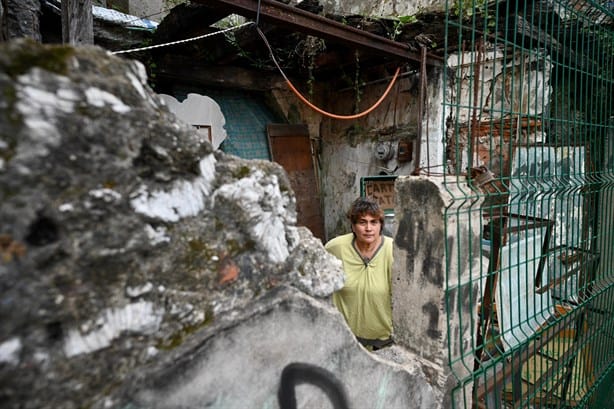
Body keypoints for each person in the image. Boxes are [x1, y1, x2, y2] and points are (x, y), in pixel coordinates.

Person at [325, 197, 393, 350]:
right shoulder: (336, 248)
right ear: (353, 226)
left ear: (381, 225)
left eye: (374, 222)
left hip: (384, 340)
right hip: (345, 338)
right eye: (362, 222)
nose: (369, 228)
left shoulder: (393, 250)